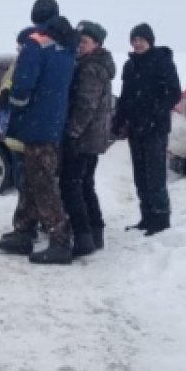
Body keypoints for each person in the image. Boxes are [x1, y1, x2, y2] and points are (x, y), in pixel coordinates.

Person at [0, 0, 77, 265]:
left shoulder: (35, 43)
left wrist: (12, 102)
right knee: (31, 180)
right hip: (53, 122)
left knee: (41, 183)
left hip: (35, 122)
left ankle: (60, 241)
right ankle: (23, 231)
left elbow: (24, 85)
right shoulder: (67, 44)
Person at [112, 23, 182, 236]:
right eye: (134, 40)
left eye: (141, 39)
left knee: (155, 174)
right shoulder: (129, 66)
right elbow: (125, 96)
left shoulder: (162, 62)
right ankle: (146, 216)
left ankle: (161, 218)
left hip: (155, 128)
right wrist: (119, 119)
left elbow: (174, 93)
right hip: (135, 128)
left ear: (150, 41)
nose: (138, 44)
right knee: (140, 175)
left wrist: (154, 112)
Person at [59, 21, 116, 255]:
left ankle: (83, 236)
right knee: (85, 184)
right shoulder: (94, 64)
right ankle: (95, 232)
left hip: (84, 138)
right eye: (79, 41)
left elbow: (86, 105)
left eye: (85, 42)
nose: (80, 45)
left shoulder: (90, 68)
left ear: (97, 44)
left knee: (71, 186)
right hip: (92, 137)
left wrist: (72, 132)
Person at [0, 27, 34, 194]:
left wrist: (6, 97)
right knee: (21, 177)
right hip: (12, 127)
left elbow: (20, 91)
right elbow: (7, 85)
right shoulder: (19, 62)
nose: (18, 48)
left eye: (21, 44)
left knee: (25, 179)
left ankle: (30, 216)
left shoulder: (28, 64)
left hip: (21, 130)